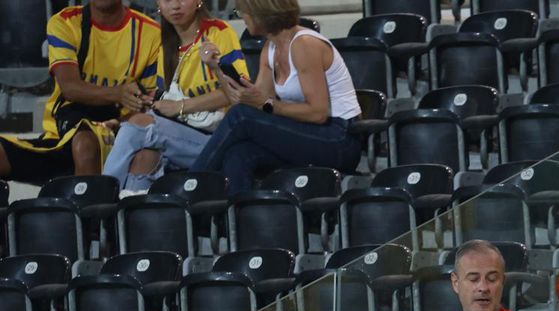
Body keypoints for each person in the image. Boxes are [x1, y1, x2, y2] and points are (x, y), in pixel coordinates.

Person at [191, 0, 362, 195]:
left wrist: (266, 104)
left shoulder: (304, 44)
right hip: (307, 133)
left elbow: (318, 113)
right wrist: (216, 68)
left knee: (241, 117)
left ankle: (189, 191)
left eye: (243, 12)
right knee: (239, 154)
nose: (242, 17)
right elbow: (247, 102)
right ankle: (238, 219)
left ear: (261, 13)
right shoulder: (270, 48)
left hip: (339, 139)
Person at [0, 0, 161, 183]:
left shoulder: (151, 33)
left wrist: (120, 120)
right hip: (63, 132)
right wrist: (118, 93)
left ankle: (90, 208)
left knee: (85, 143)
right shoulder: (65, 22)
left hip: (119, 129)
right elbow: (70, 88)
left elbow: (148, 103)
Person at [103, 0, 248, 193]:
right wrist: (127, 118)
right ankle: (130, 215)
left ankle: (102, 194)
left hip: (218, 138)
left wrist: (181, 106)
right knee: (144, 158)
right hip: (182, 134)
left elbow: (237, 91)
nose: (175, 6)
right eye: (167, 0)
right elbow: (165, 99)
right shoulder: (165, 45)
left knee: (138, 125)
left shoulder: (218, 32)